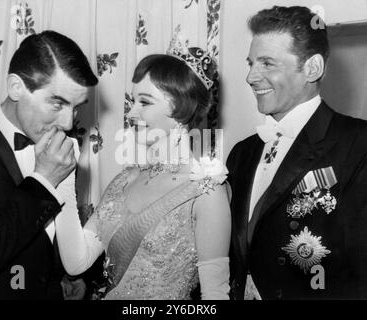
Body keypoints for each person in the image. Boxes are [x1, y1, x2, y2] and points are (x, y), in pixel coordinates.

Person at [56, 45, 231, 299]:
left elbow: (215, 296)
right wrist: (61, 180)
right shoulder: (123, 181)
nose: (131, 113)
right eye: (132, 101)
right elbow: (76, 262)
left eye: (145, 102)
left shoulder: (206, 190)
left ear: (181, 107)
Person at [227, 5, 367, 300]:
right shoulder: (242, 153)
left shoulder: (358, 144)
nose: (251, 76)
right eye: (251, 63)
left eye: (267, 63)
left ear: (312, 68)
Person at [0, 30, 98, 299]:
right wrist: (42, 182)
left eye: (76, 108)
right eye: (57, 103)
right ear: (16, 87)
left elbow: (42, 236)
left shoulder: (54, 144)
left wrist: (62, 275)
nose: (68, 123)